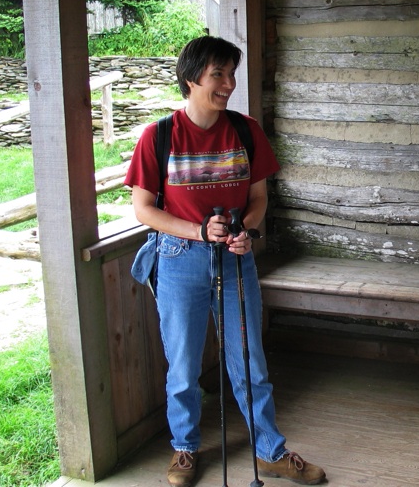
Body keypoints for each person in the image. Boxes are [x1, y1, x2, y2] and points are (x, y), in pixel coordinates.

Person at [125, 36, 325, 487]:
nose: (229, 83)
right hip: (179, 260)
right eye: (219, 74)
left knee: (249, 360)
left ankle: (271, 452)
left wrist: (247, 232)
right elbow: (144, 210)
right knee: (182, 363)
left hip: (236, 261)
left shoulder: (245, 130)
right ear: (192, 78)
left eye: (231, 74)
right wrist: (197, 230)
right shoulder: (158, 136)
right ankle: (184, 449)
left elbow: (259, 197)